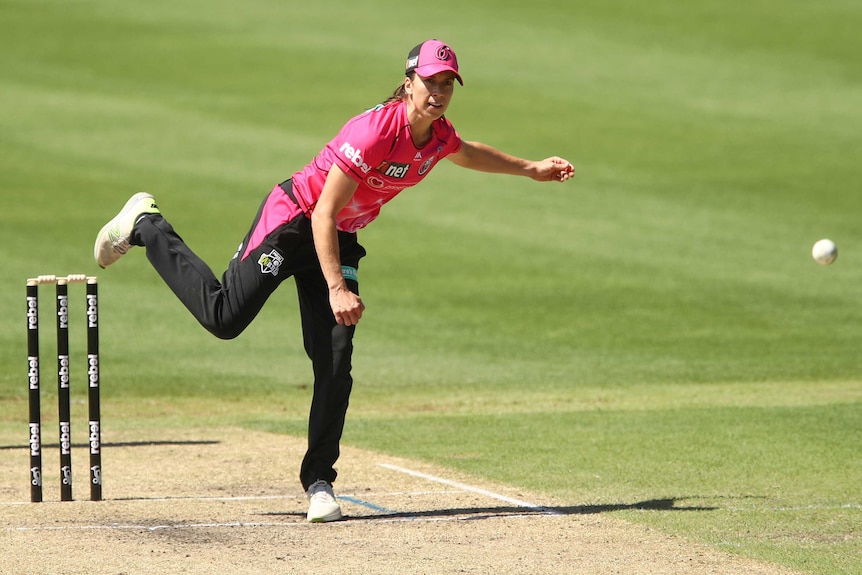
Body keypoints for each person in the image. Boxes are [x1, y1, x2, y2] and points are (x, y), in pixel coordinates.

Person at [93, 39, 575, 522]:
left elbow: (466, 152)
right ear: (408, 83)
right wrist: (337, 288)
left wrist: (531, 169)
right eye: (430, 81)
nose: (439, 91)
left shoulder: (438, 134)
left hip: (340, 237)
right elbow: (323, 212)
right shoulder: (372, 133)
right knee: (224, 318)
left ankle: (319, 481)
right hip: (295, 222)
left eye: (447, 83)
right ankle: (146, 225)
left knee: (336, 357)